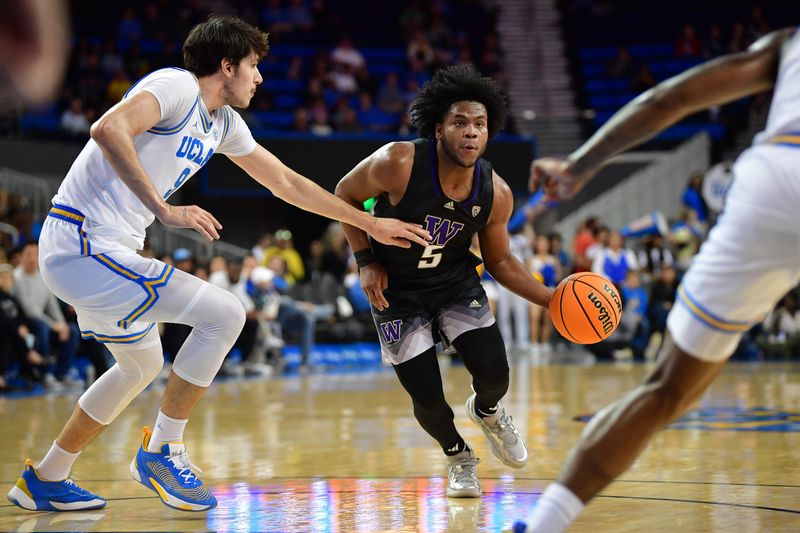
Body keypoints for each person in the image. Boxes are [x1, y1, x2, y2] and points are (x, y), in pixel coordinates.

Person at [6, 15, 429, 514]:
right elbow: (108, 128)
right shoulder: (177, 86)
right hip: (81, 242)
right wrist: (165, 210)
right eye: (253, 65)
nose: (260, 77)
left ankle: (47, 477)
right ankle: (164, 449)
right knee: (226, 313)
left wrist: (368, 222)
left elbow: (286, 184)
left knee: (139, 366)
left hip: (104, 250)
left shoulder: (225, 123)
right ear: (225, 66)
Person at [514, 27, 799, 532]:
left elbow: (673, 97)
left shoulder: (789, 41)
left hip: (777, 180)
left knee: (667, 391)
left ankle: (542, 525)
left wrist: (580, 166)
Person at [335, 65, 553, 498]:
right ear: (438, 128)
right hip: (396, 293)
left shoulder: (497, 193)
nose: (470, 133)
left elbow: (501, 260)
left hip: (454, 284)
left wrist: (553, 298)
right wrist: (364, 259)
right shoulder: (398, 162)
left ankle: (487, 410)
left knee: (495, 374)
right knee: (428, 398)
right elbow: (344, 194)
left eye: (479, 125)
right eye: (459, 123)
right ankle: (458, 456)